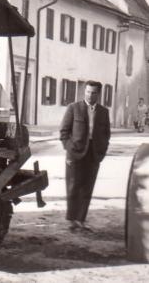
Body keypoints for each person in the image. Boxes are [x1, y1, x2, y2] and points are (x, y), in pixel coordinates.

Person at [59, 80, 111, 232]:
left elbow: (106, 134)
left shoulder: (103, 112)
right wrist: (69, 151)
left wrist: (102, 152)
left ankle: (81, 220)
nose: (90, 95)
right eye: (87, 91)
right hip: (75, 153)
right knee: (73, 186)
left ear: (98, 94)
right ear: (84, 92)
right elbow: (64, 132)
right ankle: (72, 220)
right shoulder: (74, 108)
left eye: (93, 92)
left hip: (93, 154)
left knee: (88, 187)